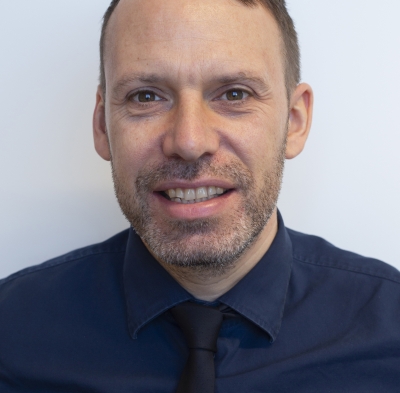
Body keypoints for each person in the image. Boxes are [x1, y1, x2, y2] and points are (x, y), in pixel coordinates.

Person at [0, 0, 399, 392]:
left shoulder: (389, 330)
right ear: (103, 127)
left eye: (234, 94)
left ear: (294, 121)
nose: (189, 142)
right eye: (146, 96)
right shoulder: (12, 332)